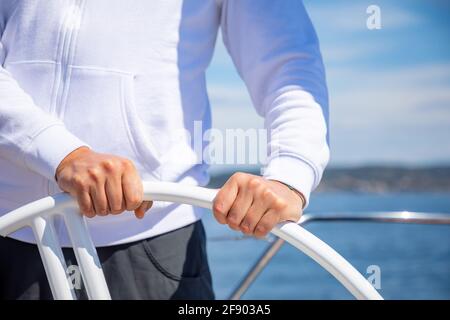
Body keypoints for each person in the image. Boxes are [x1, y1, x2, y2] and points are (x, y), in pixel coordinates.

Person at [0, 0, 329, 299]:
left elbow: (290, 66)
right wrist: (61, 152)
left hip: (152, 243)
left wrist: (289, 175)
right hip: (10, 228)